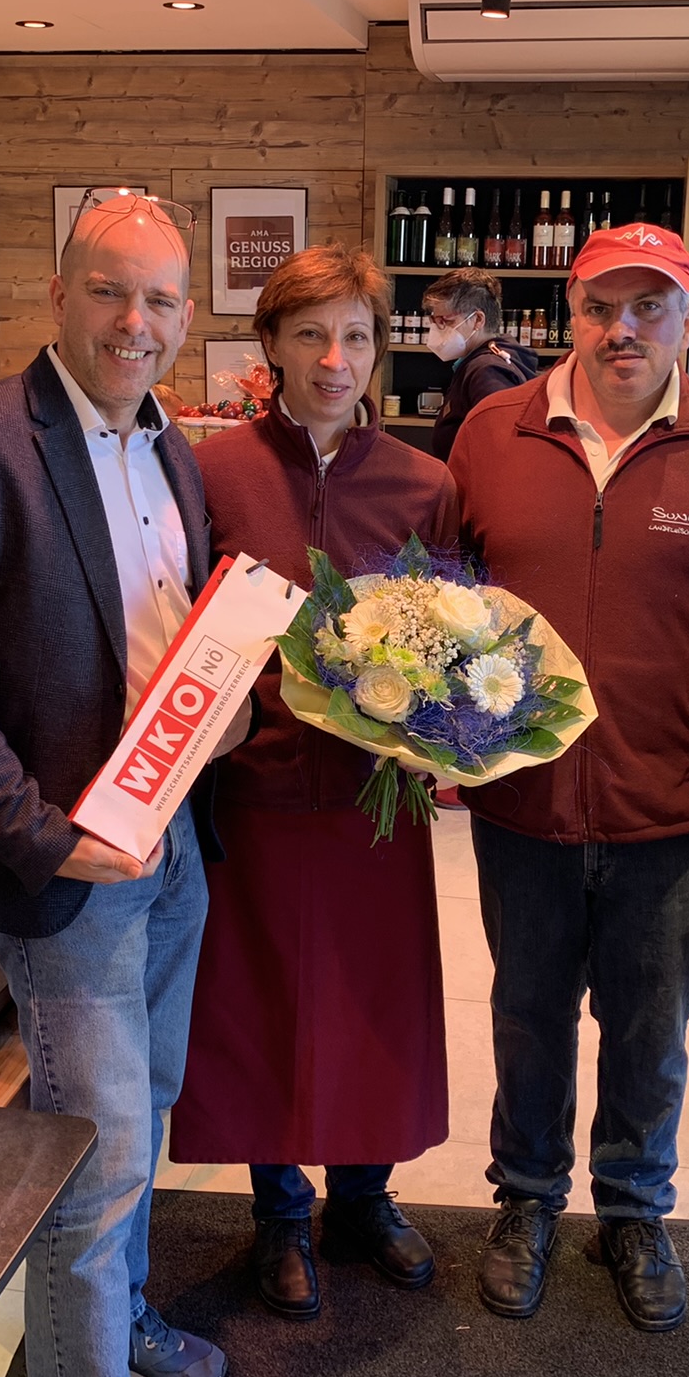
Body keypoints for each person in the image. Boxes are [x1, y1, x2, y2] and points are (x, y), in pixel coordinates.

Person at [0, 190, 229, 1377]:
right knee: (93, 1161)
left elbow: (166, 640)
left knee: (148, 1114)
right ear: (58, 296)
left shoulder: (167, 447)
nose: (135, 322)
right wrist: (38, 834)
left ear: (186, 319)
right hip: (68, 877)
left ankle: (119, 1322)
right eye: (110, 292)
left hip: (172, 847)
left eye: (160, 301)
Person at [447, 223, 689, 1331]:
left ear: (686, 320)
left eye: (649, 307)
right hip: (522, 805)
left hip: (668, 811)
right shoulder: (489, 434)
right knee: (526, 1014)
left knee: (650, 1025)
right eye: (603, 305)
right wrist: (435, 742)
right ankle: (525, 1200)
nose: (624, 329)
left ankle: (635, 1209)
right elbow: (439, 604)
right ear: (568, 312)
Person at [172, 243, 456, 1320]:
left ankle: (363, 1200)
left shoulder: (425, 483)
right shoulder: (212, 474)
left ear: (381, 349)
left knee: (368, 1009)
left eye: (356, 336)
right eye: (309, 335)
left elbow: (451, 641)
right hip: (252, 795)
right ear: (271, 349)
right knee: (258, 1012)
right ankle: (278, 1213)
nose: (335, 360)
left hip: (371, 808)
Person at [423, 269, 538, 461]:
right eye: (434, 321)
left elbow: (501, 451)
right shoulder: (480, 362)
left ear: (477, 320)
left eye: (445, 321)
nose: (437, 329)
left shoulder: (487, 372)